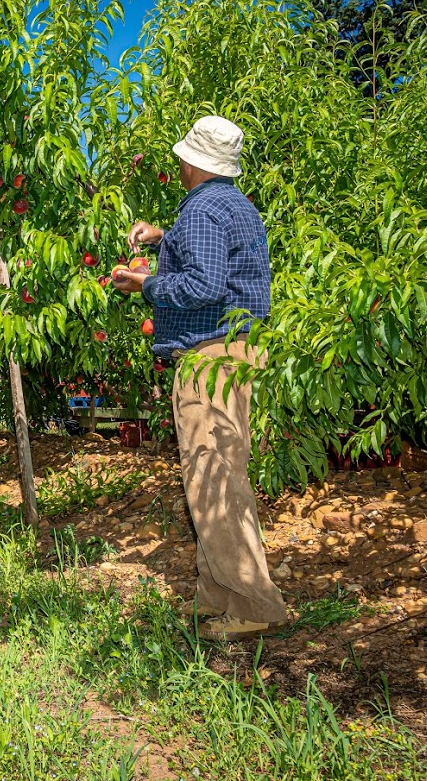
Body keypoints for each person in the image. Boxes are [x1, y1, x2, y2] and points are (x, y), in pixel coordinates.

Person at [111, 115, 288, 641]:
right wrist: (163, 238)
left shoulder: (203, 208)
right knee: (219, 474)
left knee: (213, 479)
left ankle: (255, 604)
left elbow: (204, 285)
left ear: (192, 162)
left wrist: (145, 285)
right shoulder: (235, 205)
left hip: (210, 358)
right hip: (236, 352)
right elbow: (217, 258)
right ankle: (218, 593)